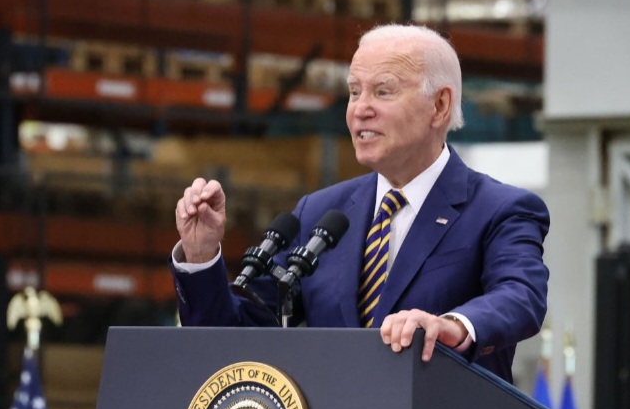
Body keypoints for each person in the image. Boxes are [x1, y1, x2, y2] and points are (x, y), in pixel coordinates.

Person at [172, 23, 549, 382]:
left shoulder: (500, 210)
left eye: (383, 92)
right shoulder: (320, 212)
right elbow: (233, 341)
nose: (359, 109)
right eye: (354, 92)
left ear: (440, 105)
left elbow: (520, 296)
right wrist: (201, 256)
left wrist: (451, 326)